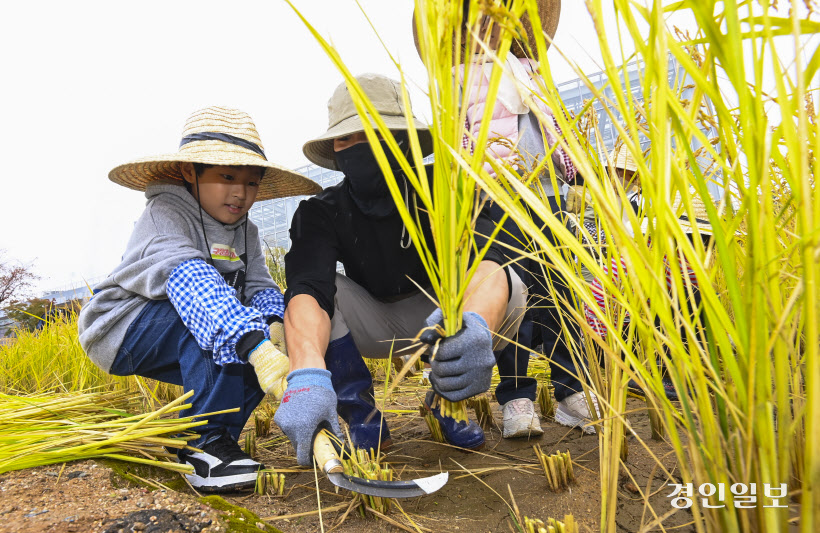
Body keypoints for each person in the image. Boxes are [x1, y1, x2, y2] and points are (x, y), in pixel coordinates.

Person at [274, 73, 529, 466]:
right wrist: (307, 371)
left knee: (508, 283)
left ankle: (449, 401)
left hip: (441, 315)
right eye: (347, 139)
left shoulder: (450, 186)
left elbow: (488, 259)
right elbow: (308, 286)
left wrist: (477, 322)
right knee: (309, 300)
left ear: (404, 141)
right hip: (373, 320)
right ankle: (361, 415)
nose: (358, 148)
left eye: (372, 135)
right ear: (336, 151)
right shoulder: (320, 211)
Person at [78, 107, 321, 492]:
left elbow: (259, 285)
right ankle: (203, 447)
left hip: (192, 320)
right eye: (226, 177)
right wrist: (253, 341)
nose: (240, 193)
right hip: (122, 326)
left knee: (254, 344)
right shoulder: (166, 213)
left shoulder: (247, 232)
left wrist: (274, 329)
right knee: (221, 329)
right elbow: (191, 280)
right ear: (190, 172)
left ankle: (215, 443)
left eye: (251, 183)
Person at [448, 0, 596, 434]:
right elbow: (458, 137)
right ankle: (516, 399)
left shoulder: (531, 71)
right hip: (500, 196)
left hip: (548, 193)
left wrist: (575, 167)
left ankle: (571, 390)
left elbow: (555, 128)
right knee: (515, 296)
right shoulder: (461, 76)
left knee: (560, 292)